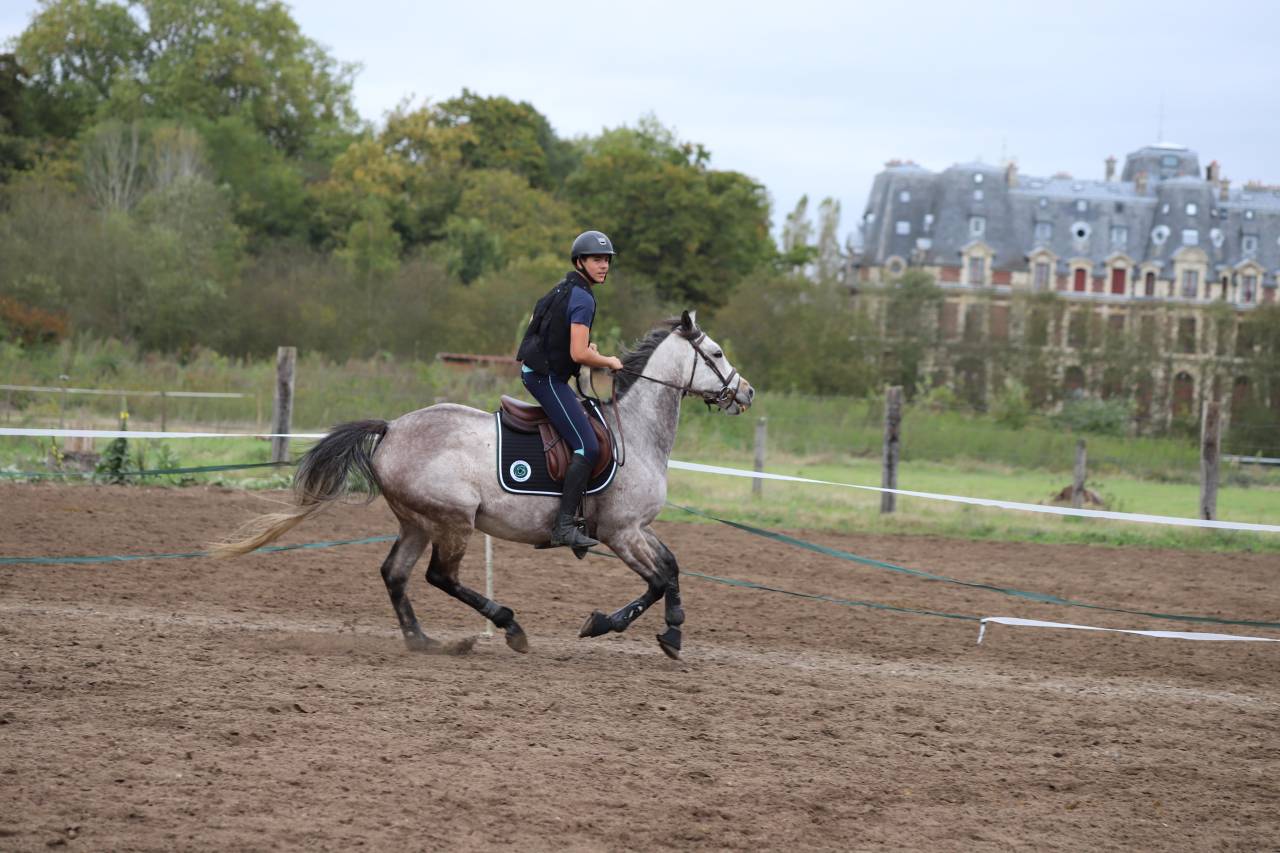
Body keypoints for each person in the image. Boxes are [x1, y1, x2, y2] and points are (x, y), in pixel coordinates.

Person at [516, 230, 625, 549]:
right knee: (588, 447)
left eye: (606, 260)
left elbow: (551, 331)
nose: (603, 265)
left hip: (541, 371)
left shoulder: (565, 288)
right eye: (597, 260)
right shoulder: (583, 298)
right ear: (580, 261)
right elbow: (578, 354)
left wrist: (580, 349)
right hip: (544, 377)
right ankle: (563, 527)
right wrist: (608, 360)